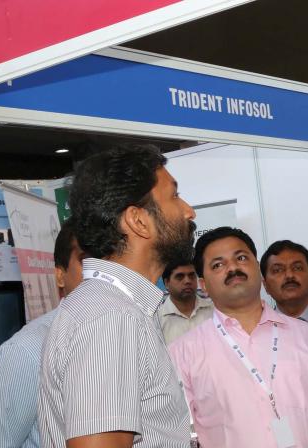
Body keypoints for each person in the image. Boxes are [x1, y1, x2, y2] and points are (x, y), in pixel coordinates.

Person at [38, 145, 196, 448]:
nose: (189, 210)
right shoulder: (111, 317)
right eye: (174, 196)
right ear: (138, 221)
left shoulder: (115, 308)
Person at [169, 227, 308, 448]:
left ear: (257, 268)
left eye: (241, 258)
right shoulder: (184, 352)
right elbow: (181, 436)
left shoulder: (306, 337)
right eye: (218, 265)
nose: (233, 268)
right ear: (204, 285)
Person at [0, 221, 83, 448]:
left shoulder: (134, 339)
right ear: (60, 275)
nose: (102, 274)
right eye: (87, 261)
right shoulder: (28, 353)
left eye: (110, 263)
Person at [261, 239, 308, 348]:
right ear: (265, 285)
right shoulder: (258, 331)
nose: (289, 275)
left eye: (297, 268)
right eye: (278, 270)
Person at [157, 258, 214, 344]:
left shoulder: (215, 311)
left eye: (191, 276)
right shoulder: (156, 321)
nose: (187, 281)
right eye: (180, 277)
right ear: (166, 283)